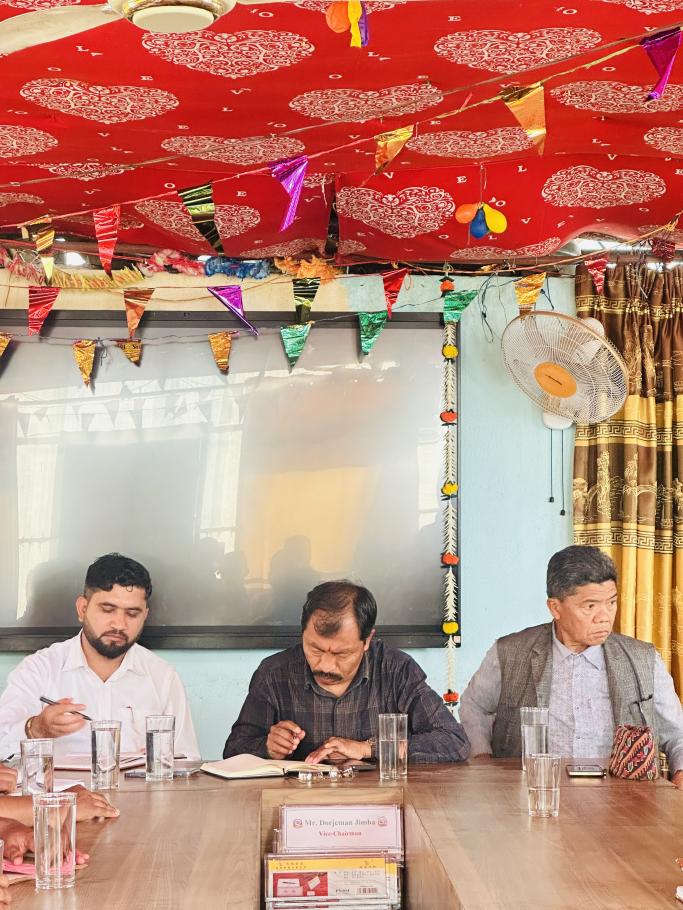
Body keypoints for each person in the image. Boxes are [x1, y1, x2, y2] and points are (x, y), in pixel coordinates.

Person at [459, 545, 683, 788]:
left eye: (611, 602)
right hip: (532, 793)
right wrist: (482, 759)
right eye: (590, 606)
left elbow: (677, 733)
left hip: (624, 798)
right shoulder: (509, 652)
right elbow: (474, 706)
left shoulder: (643, 658)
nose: (604, 617)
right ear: (555, 608)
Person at [224, 580, 470, 763]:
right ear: (303, 633)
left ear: (367, 640)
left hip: (379, 805)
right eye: (315, 649)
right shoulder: (274, 673)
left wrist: (368, 749)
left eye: (341, 654)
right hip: (298, 806)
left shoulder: (396, 670)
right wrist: (267, 747)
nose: (325, 666)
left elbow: (454, 741)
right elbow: (234, 750)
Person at [0, 554, 200, 761]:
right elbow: (2, 748)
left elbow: (186, 759)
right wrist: (36, 728)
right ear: (82, 609)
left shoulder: (162, 676)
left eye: (132, 613)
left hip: (136, 783)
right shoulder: (39, 669)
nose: (119, 624)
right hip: (61, 783)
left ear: (144, 616)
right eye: (108, 610)